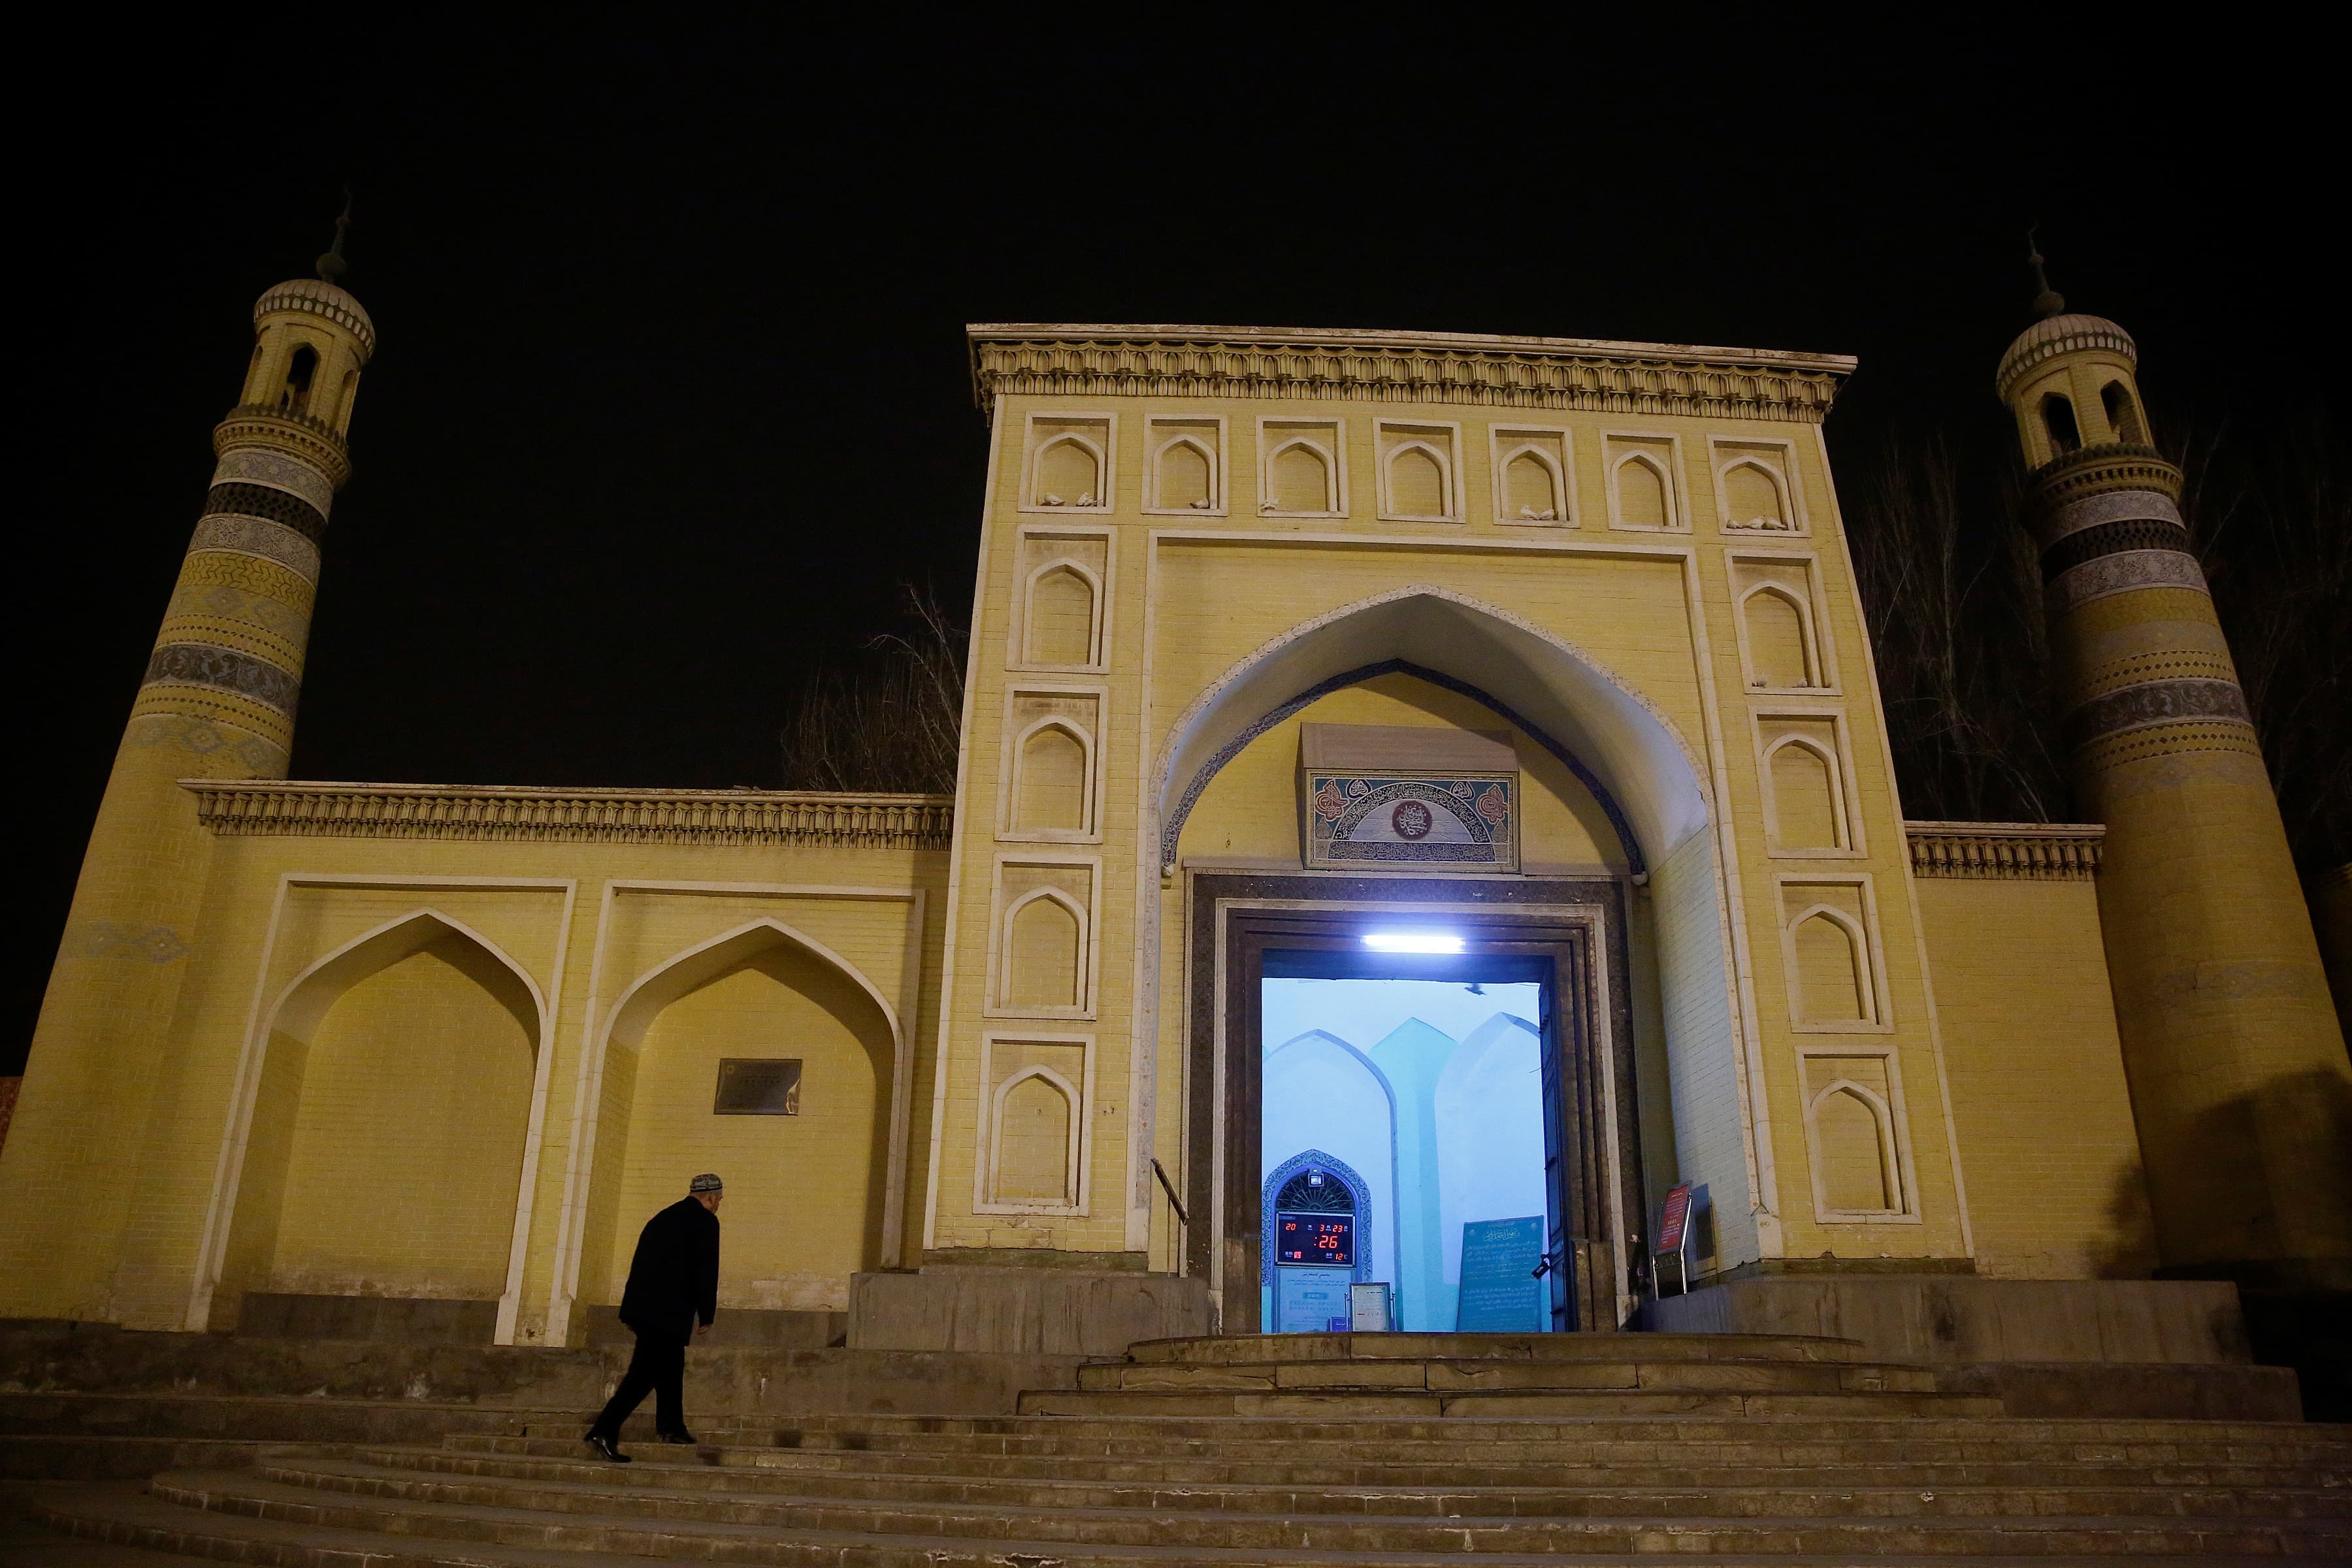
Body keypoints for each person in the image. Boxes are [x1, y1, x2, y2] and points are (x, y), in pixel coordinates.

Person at [585, 1173, 723, 1462]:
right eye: (719, 1199)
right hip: (669, 1313)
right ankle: (604, 1429)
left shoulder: (662, 1218)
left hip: (644, 1309)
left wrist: (631, 1310)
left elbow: (640, 1263)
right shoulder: (706, 1222)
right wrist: (706, 1313)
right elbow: (706, 1271)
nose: (719, 1205)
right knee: (644, 1374)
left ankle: (672, 1427)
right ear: (710, 1198)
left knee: (671, 1367)